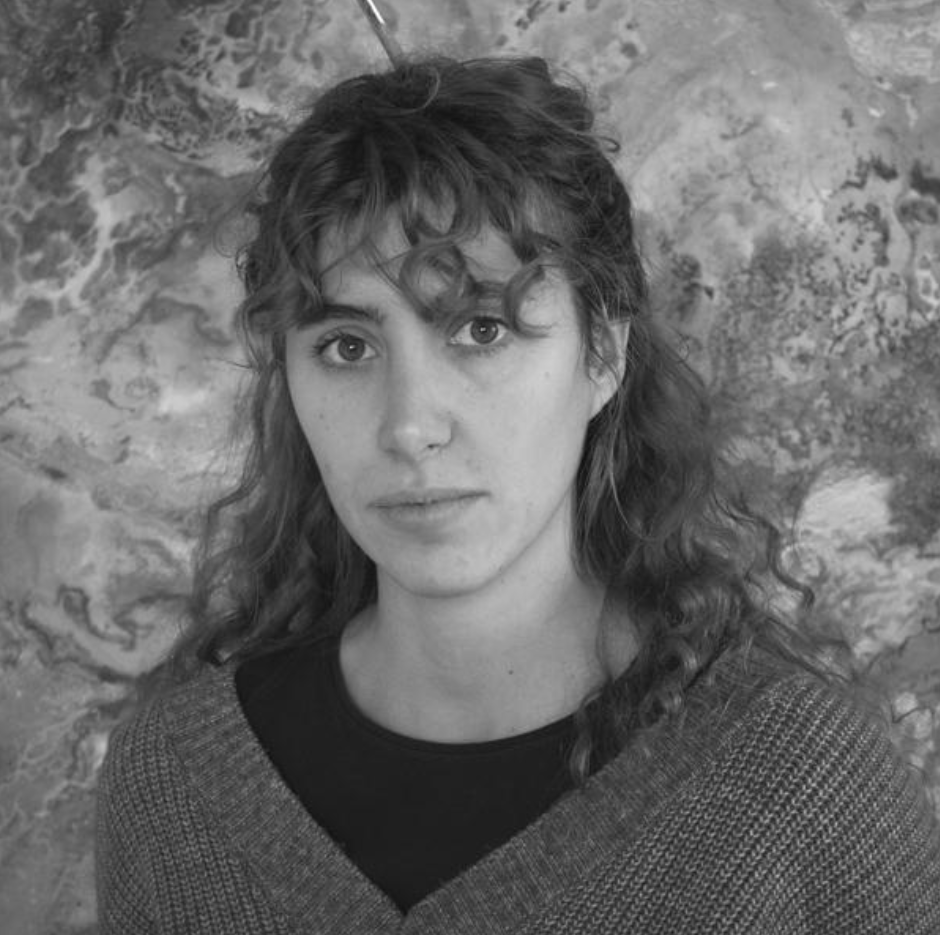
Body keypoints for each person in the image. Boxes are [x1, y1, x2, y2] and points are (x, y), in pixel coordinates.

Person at [95, 55, 940, 933]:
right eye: (347, 346)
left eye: (481, 327)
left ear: (602, 354)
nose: (410, 425)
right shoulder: (172, 788)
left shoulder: (806, 790)